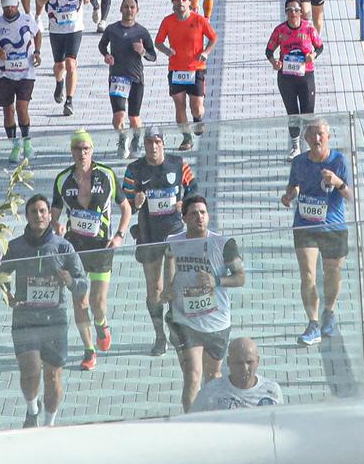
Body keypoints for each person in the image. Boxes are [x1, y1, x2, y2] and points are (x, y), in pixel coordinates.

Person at [0, 196, 87, 427]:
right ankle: (32, 409)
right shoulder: (16, 246)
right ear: (26, 217)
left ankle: (49, 425)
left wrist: (70, 281)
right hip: (24, 319)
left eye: (42, 211)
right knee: (29, 372)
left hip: (54, 321)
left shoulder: (63, 247)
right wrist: (6, 294)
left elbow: (82, 283)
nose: (38, 216)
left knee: (52, 376)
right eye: (33, 212)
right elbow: (1, 274)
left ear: (50, 215)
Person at [54, 131, 129, 373]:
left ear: (92, 151)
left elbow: (125, 208)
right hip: (74, 248)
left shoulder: (106, 175)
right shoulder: (62, 179)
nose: (82, 153)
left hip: (101, 247)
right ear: (72, 152)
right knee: (80, 301)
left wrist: (119, 235)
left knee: (97, 302)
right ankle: (89, 350)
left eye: (86, 149)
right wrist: (58, 226)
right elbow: (54, 215)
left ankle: (101, 324)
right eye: (77, 149)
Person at [120, 126, 199, 356]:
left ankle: (175, 330)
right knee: (154, 289)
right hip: (148, 233)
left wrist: (183, 204)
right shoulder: (135, 169)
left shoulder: (178, 164)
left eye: (157, 142)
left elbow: (193, 188)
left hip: (173, 230)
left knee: (171, 286)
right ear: (144, 146)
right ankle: (159, 335)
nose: (153, 147)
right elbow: (124, 199)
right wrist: (135, 200)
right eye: (149, 143)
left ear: (163, 144)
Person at [164, 193, 246, 412]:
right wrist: (168, 286)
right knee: (192, 376)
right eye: (193, 214)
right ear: (184, 218)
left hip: (216, 321)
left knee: (213, 377)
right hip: (185, 320)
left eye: (203, 213)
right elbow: (169, 258)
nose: (199, 218)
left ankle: (214, 420)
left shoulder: (223, 244)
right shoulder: (174, 242)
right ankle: (189, 424)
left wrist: (216, 281)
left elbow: (240, 278)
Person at [280, 118, 350, 346]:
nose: (317, 139)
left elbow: (350, 196)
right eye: (312, 135)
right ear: (306, 139)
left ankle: (329, 312)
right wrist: (289, 195)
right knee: (308, 274)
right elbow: (294, 184)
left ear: (328, 137)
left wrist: (338, 182)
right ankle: (313, 323)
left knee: (332, 272)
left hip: (333, 225)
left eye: (321, 134)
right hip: (305, 224)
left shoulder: (339, 161)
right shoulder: (300, 162)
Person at [156, 0, 216, 151]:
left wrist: (206, 52)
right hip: (176, 69)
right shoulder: (168, 21)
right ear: (173, 3)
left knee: (196, 107)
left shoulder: (199, 20)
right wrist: (167, 51)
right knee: (179, 103)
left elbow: (213, 37)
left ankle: (197, 119)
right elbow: (158, 42)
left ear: (190, 2)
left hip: (196, 68)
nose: (181, 1)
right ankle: (186, 137)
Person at [98, 0, 159, 155]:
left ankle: (136, 142)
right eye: (126, 7)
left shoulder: (142, 31)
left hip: (136, 79)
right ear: (120, 9)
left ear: (137, 11)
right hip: (117, 78)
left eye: (132, 7)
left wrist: (143, 51)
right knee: (118, 117)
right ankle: (122, 138)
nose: (129, 10)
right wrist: (106, 55)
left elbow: (153, 56)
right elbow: (102, 45)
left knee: (134, 118)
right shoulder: (112, 29)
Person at [37, 0, 91, 117]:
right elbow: (39, 0)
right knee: (59, 65)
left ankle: (69, 100)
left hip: (75, 27)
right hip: (56, 28)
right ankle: (59, 82)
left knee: (70, 63)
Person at [0, 0, 42, 156]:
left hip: (25, 71)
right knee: (8, 110)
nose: (10, 10)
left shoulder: (26, 20)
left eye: (12, 6)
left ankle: (26, 142)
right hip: (4, 73)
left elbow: (38, 33)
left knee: (22, 107)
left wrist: (37, 52)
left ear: (17, 5)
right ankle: (14, 145)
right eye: (6, 7)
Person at [265, 0, 325, 147]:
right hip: (286, 78)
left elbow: (320, 46)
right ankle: (295, 146)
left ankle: (311, 145)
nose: (293, 13)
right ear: (286, 13)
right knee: (293, 114)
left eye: (296, 10)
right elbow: (269, 50)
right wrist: (275, 63)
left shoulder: (309, 28)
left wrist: (313, 56)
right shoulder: (280, 30)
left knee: (308, 113)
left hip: (306, 76)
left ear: (301, 12)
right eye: (289, 10)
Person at [190, 336, 283, 412]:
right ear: (229, 362)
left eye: (249, 362)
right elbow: (192, 423)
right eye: (239, 363)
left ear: (258, 361)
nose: (244, 368)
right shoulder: (211, 391)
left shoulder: (272, 390)